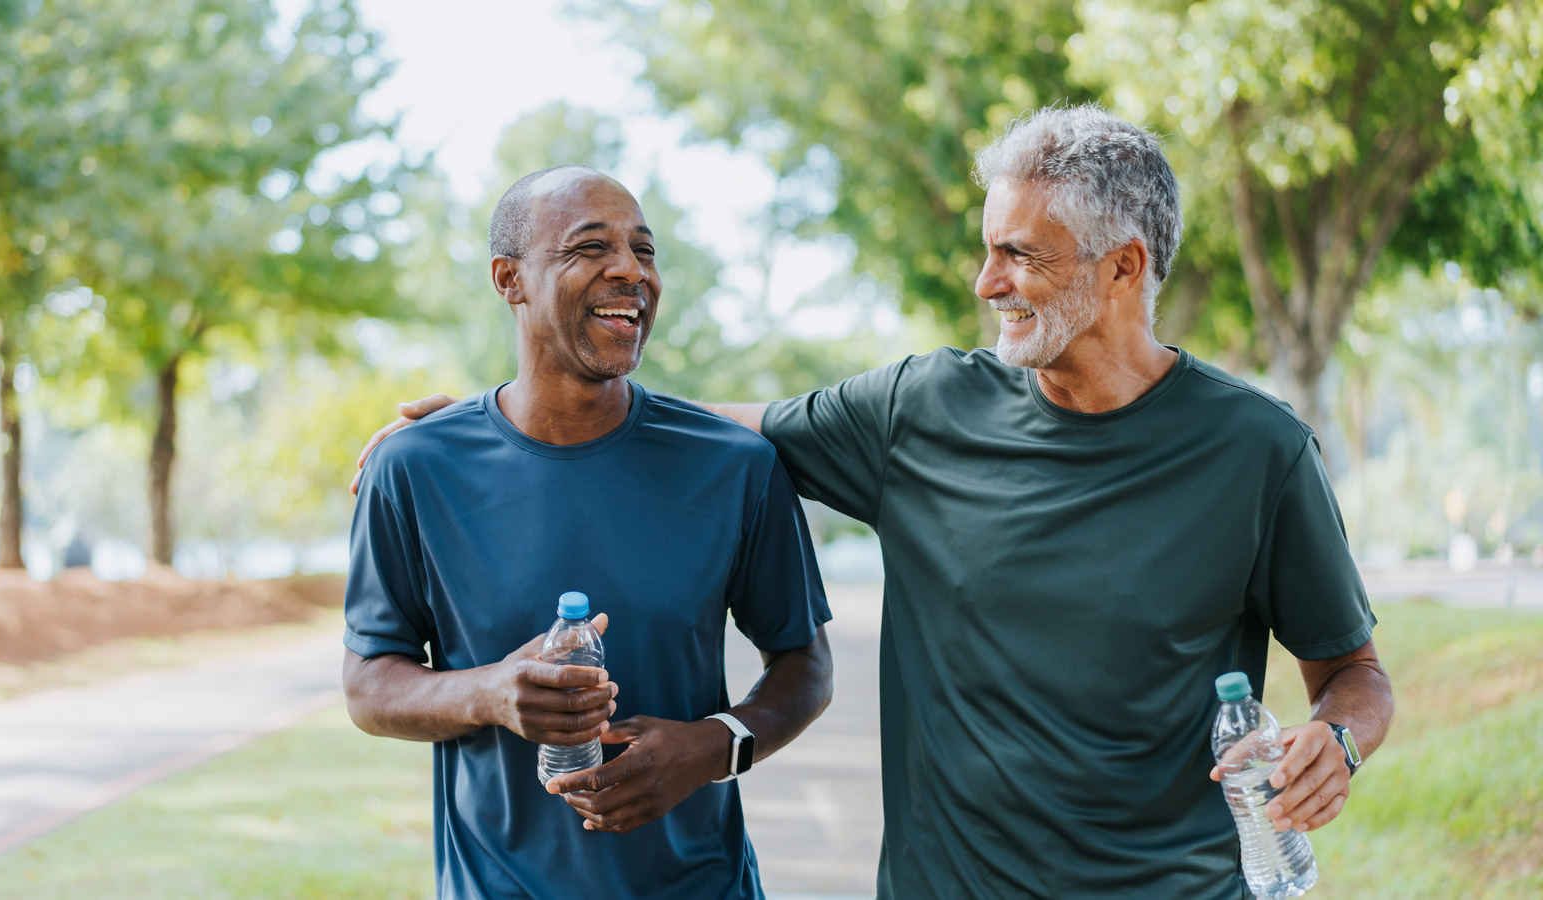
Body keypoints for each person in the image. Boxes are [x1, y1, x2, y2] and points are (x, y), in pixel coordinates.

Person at [355, 106, 1394, 900]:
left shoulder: (1258, 452)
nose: (986, 282)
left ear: (1122, 268)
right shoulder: (922, 410)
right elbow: (721, 427)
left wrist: (1333, 742)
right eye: (987, 248)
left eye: (1018, 254)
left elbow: (1352, 674)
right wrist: (492, 419)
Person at [343, 166, 834, 900]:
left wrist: (712, 748)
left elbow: (806, 665)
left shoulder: (735, 467)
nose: (630, 272)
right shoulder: (415, 468)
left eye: (644, 250)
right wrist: (490, 693)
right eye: (589, 248)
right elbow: (369, 685)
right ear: (509, 279)